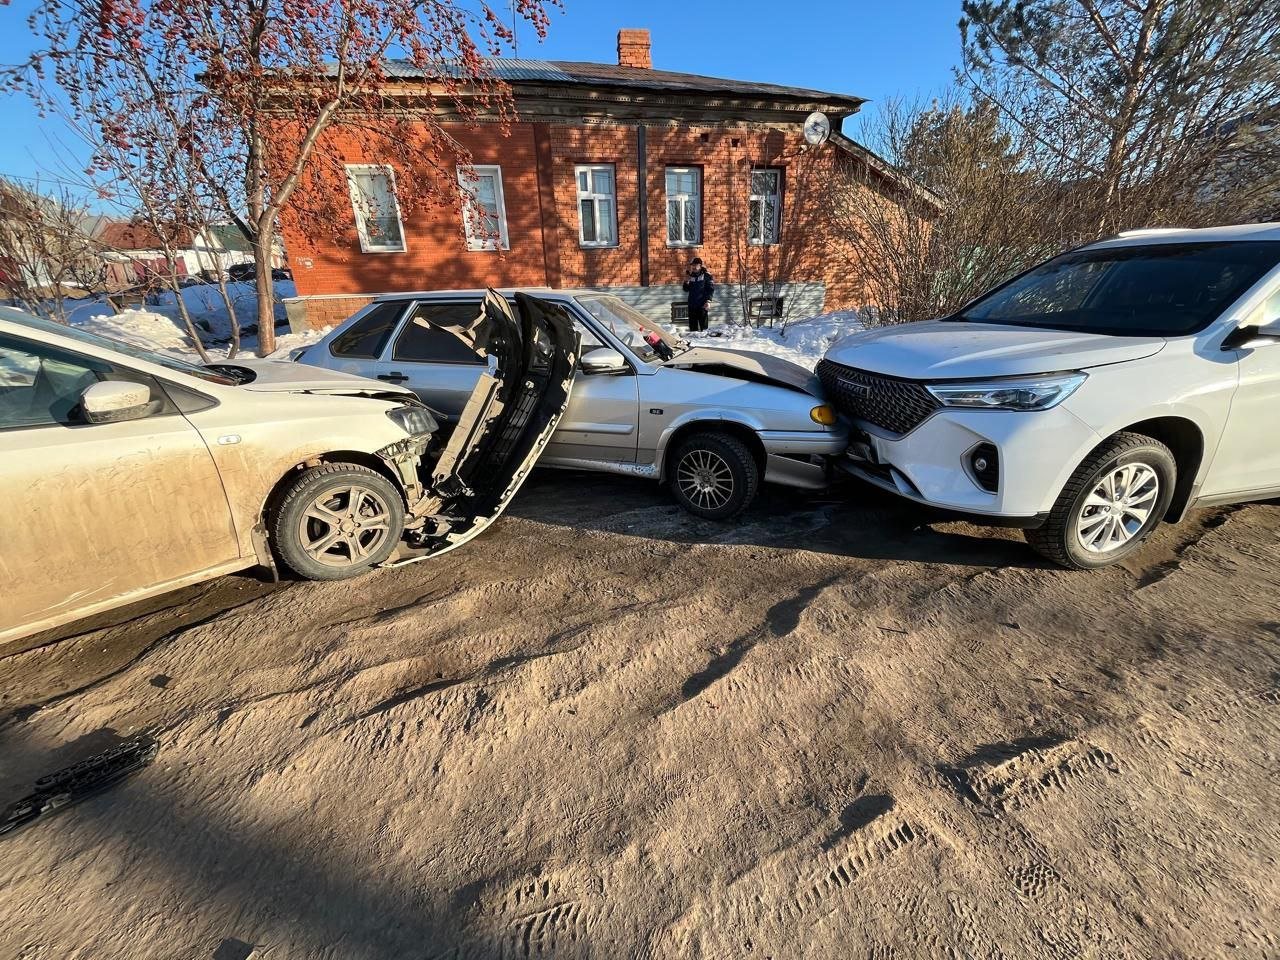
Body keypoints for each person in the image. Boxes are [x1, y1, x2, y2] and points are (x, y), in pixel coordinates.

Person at [682, 257, 714, 333]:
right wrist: (686, 282)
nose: (693, 267)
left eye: (695, 265)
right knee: (693, 329)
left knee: (704, 329)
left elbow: (710, 289)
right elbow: (686, 289)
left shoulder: (706, 276)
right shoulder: (691, 275)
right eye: (692, 265)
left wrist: (708, 301)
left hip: (702, 305)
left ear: (700, 265)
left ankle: (705, 342)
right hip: (692, 305)